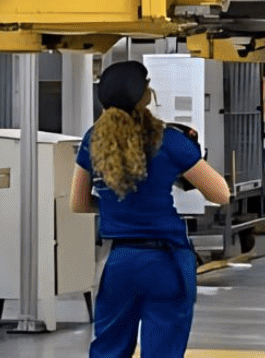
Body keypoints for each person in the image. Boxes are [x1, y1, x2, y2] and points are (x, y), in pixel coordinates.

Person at [70, 61, 230, 358]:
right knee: (163, 349)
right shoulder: (169, 139)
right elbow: (221, 194)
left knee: (108, 348)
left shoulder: (92, 140)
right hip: (166, 262)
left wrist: (112, 205)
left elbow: (77, 203)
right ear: (146, 97)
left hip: (118, 262)